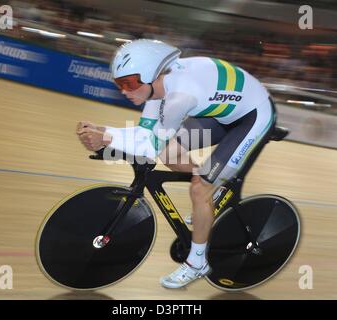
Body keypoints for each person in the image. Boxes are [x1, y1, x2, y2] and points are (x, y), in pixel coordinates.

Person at [76, 39, 276, 289]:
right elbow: (146, 134)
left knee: (199, 189)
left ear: (150, 75)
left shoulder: (178, 99)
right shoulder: (157, 85)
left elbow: (148, 147)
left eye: (128, 83)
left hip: (253, 116)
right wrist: (102, 130)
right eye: (119, 84)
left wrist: (104, 136)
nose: (124, 91)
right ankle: (209, 188)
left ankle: (197, 262)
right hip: (222, 113)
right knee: (170, 153)